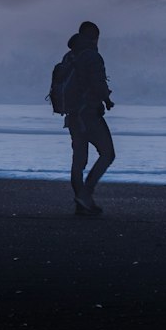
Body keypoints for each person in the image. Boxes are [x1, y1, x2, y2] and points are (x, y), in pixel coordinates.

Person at [62, 20, 115, 216]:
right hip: (88, 114)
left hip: (72, 115)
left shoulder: (70, 56)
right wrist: (107, 100)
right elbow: (98, 83)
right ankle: (85, 195)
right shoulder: (92, 56)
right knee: (108, 153)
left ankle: (81, 203)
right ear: (94, 37)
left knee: (78, 161)